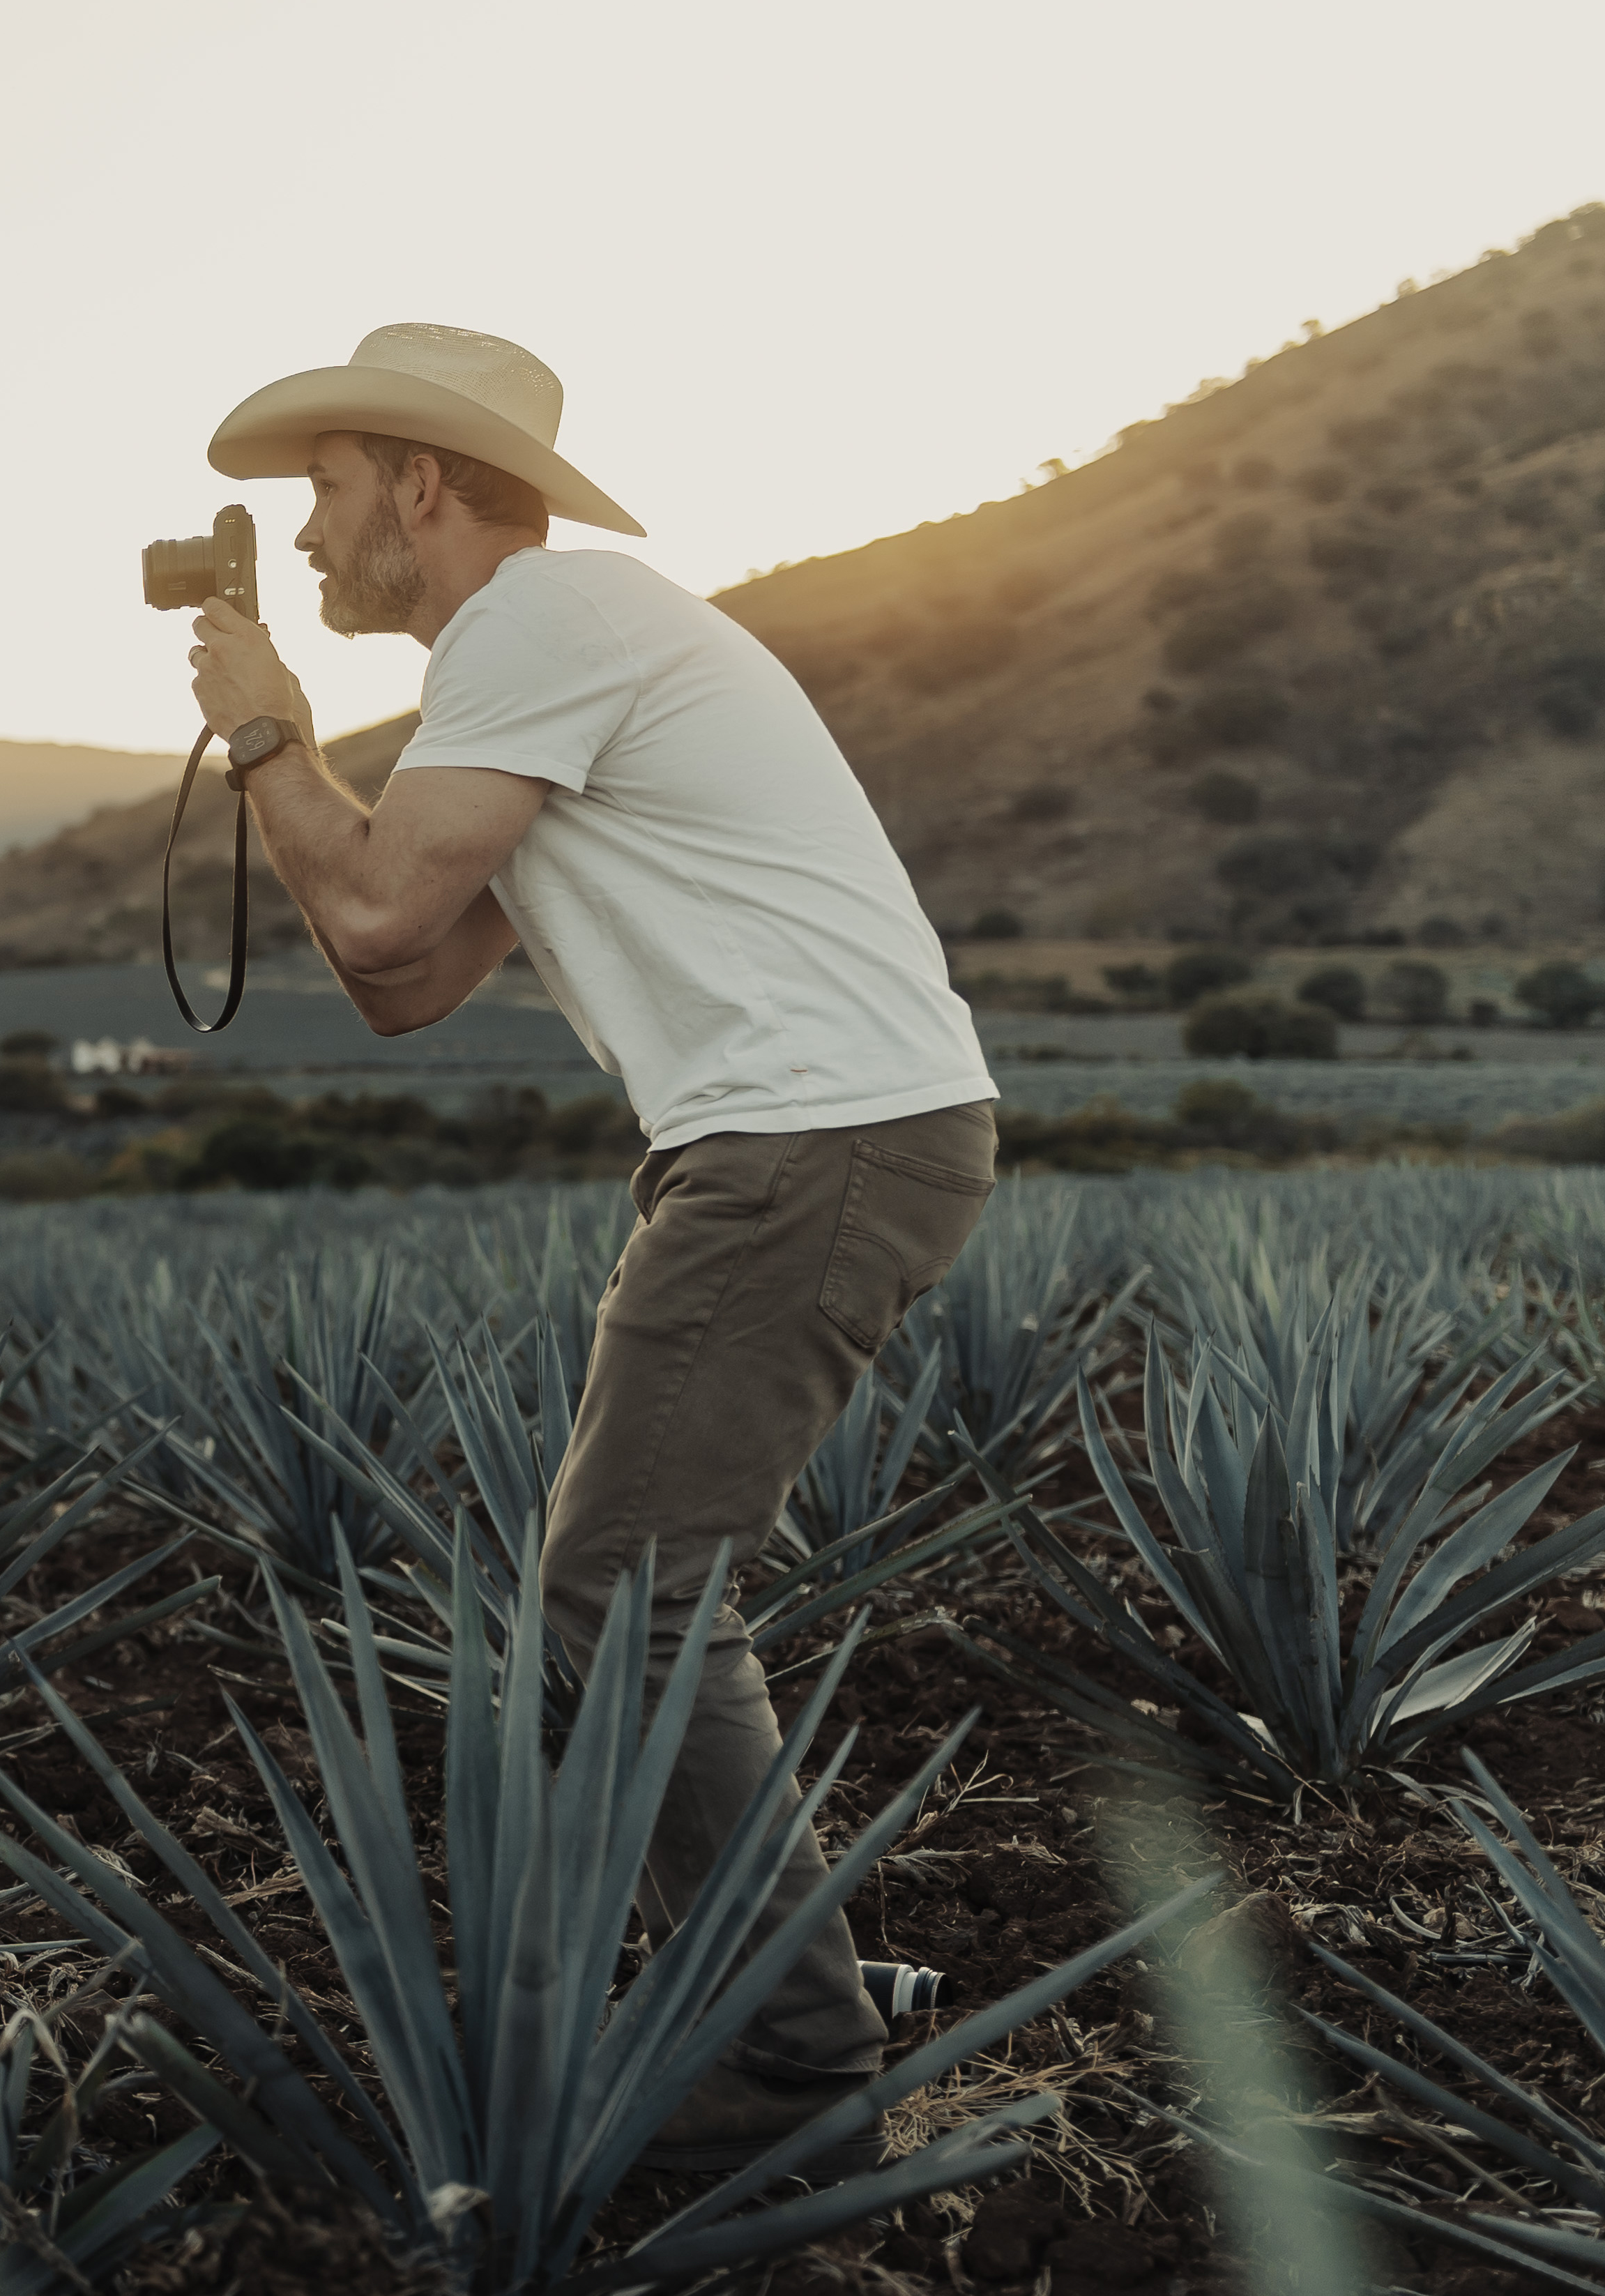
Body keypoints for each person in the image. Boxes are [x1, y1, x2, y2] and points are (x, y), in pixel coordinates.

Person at [176, 323, 998, 2174]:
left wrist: (258, 726)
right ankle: (807, 1989)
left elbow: (377, 899)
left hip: (808, 1135)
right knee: (626, 1581)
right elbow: (396, 971)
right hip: (813, 1134)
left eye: (318, 490)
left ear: (417, 481)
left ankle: (798, 2068)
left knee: (620, 1588)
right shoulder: (528, 668)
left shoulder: (543, 623)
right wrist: (275, 755)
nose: (297, 540)